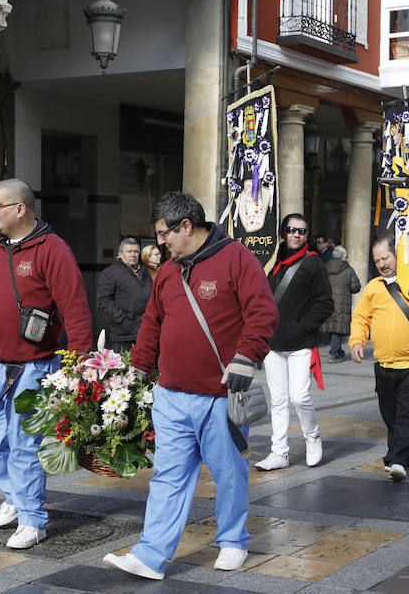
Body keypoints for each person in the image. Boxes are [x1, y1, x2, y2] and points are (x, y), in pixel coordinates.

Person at [102, 191, 278, 579]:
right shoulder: (169, 270)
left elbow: (263, 313)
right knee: (168, 476)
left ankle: (233, 541)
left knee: (229, 472)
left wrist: (245, 358)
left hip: (220, 397)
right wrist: (139, 370)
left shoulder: (236, 259)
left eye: (164, 234)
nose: (160, 243)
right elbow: (152, 323)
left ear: (186, 226)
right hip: (171, 395)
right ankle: (151, 555)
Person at [0, 178, 92, 550]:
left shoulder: (53, 249)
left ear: (19, 208)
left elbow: (75, 308)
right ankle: (17, 497)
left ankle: (32, 519)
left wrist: (82, 363)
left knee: (25, 445)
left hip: (35, 367)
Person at [350, 236, 409, 481]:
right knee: (392, 416)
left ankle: (397, 459)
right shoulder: (373, 287)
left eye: (385, 258)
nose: (382, 264)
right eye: (377, 261)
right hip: (385, 365)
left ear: (397, 255)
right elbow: (361, 318)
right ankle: (408, 455)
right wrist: (357, 340)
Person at [256, 214, 333, 471]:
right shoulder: (274, 263)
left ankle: (312, 437)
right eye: (291, 229)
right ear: (283, 232)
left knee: (299, 397)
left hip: (300, 344)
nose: (297, 234)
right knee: (278, 400)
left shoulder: (313, 263)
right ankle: (279, 452)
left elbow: (325, 303)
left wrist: (303, 326)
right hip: (273, 345)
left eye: (302, 231)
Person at [96, 238, 152, 352]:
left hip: (146, 331)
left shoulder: (145, 272)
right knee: (125, 367)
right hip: (123, 334)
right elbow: (103, 300)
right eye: (129, 251)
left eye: (136, 252)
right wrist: (123, 318)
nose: (133, 254)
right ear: (120, 254)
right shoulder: (110, 272)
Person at [322, 245, 361, 363]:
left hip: (328, 301)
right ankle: (334, 353)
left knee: (333, 327)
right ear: (344, 257)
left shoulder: (325, 267)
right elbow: (356, 286)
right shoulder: (348, 269)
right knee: (338, 329)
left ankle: (337, 350)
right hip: (342, 303)